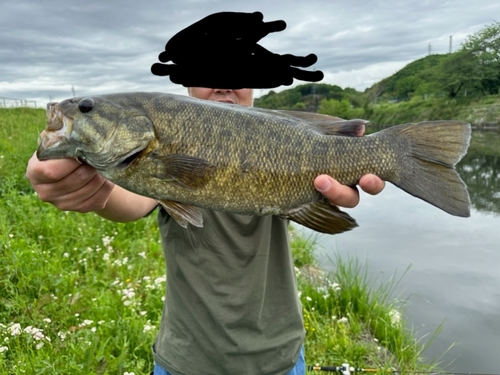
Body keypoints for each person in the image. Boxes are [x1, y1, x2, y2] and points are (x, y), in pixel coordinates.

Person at [26, 87, 385, 375]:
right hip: (185, 361)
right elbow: (126, 201)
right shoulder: (145, 167)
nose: (224, 84)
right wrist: (88, 190)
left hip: (281, 358)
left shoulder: (274, 133)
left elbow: (323, 194)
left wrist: (358, 161)